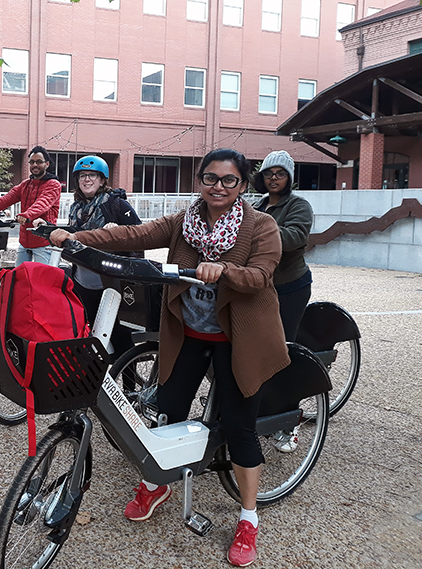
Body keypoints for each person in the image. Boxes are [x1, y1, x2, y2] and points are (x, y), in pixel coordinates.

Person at [50, 148, 289, 568]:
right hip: (191, 333)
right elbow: (131, 236)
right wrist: (75, 238)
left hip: (239, 336)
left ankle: (248, 516)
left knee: (239, 427)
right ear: (200, 180)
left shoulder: (260, 225)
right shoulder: (184, 221)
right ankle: (156, 483)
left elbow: (261, 275)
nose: (218, 187)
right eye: (210, 178)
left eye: (229, 180)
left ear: (242, 185)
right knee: (167, 412)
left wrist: (224, 270)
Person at [254, 151, 314, 454]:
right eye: (268, 173)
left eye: (279, 173)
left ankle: (288, 422)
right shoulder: (258, 205)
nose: (273, 178)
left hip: (290, 287)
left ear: (289, 177)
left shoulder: (299, 205)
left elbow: (294, 238)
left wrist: (260, 229)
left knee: (282, 352)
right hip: (260, 287)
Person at [66, 155, 141, 358]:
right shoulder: (76, 208)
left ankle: (129, 385)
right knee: (88, 334)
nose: (87, 180)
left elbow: (140, 236)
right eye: (82, 176)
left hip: (112, 282)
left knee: (119, 336)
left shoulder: (116, 205)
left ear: (102, 180)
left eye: (92, 175)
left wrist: (118, 232)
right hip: (83, 282)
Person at [0, 145, 61, 266]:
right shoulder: (25, 185)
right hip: (24, 241)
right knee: (18, 278)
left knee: (43, 280)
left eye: (39, 162)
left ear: (47, 164)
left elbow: (43, 202)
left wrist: (26, 215)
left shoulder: (53, 184)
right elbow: (5, 199)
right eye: (32, 162)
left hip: (43, 242)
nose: (35, 165)